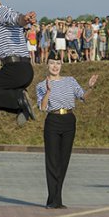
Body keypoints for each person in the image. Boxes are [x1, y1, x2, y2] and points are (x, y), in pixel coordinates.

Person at [36, 52, 98, 208]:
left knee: (64, 160)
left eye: (58, 63)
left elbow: (83, 97)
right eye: (52, 63)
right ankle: (52, 200)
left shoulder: (70, 81)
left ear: (61, 65)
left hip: (69, 120)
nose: (55, 66)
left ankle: (58, 198)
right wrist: (49, 91)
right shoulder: (41, 85)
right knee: (52, 160)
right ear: (47, 64)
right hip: (53, 120)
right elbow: (42, 108)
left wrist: (90, 88)